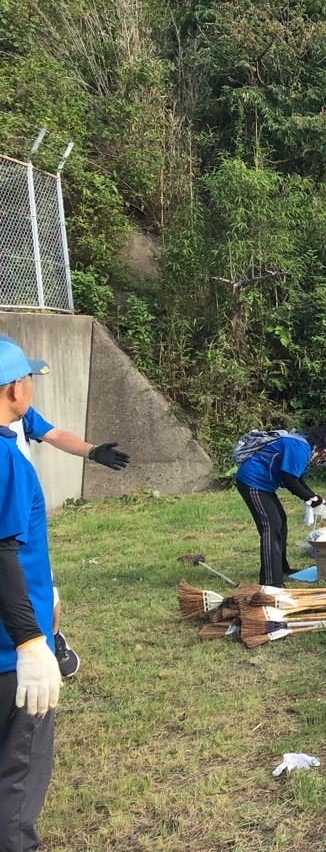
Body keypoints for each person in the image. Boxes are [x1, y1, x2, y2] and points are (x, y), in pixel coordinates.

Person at [7, 404, 129, 679]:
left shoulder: (21, 412)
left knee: (42, 586)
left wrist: (92, 451)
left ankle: (54, 636)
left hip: (23, 516)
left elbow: (54, 434)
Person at [0, 339, 60, 850]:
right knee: (16, 781)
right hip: (7, 656)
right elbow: (2, 553)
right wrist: (30, 643)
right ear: (16, 387)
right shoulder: (6, 462)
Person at [235, 425, 326, 587]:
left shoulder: (308, 450)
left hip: (265, 486)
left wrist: (314, 497)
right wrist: (311, 499)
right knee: (271, 527)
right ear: (325, 450)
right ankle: (270, 582)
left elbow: (298, 478)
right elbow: (289, 479)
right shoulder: (300, 447)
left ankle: (282, 568)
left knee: (281, 522)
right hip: (252, 481)